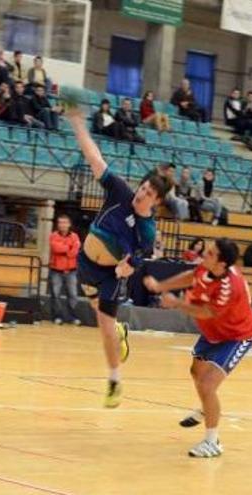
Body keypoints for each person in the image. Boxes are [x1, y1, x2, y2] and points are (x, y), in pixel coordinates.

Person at [66, 105, 170, 408]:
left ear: (157, 202)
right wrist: (77, 122)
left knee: (103, 324)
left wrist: (127, 269)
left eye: (150, 193)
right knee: (99, 311)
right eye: (144, 187)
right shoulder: (121, 192)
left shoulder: (147, 231)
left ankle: (114, 381)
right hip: (85, 264)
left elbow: (138, 259)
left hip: (110, 275)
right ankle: (121, 332)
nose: (142, 193)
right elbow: (95, 158)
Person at [145, 238, 252, 457]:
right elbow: (191, 276)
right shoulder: (208, 268)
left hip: (237, 336)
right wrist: (162, 286)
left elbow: (207, 312)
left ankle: (212, 442)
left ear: (222, 264)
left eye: (210, 253)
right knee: (195, 372)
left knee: (207, 385)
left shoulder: (229, 287)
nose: (205, 254)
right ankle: (207, 409)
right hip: (213, 332)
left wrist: (176, 303)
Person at [49, 214, 82, 326]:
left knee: (73, 294)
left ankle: (73, 317)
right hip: (56, 270)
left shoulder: (75, 236)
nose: (62, 225)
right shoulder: (53, 236)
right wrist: (69, 247)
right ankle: (57, 317)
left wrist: (64, 248)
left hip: (71, 270)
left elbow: (74, 252)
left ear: (69, 224)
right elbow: (55, 248)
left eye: (64, 222)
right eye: (60, 222)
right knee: (55, 294)